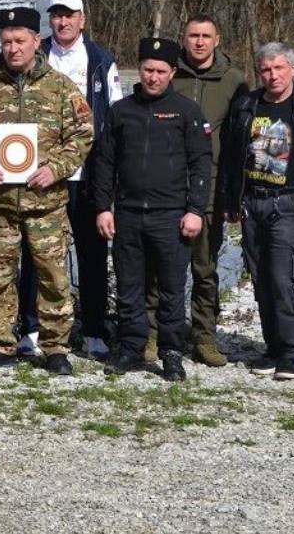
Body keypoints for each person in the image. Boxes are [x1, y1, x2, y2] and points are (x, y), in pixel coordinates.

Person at [0, 6, 94, 375]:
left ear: (37, 41)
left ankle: (55, 347)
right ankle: (1, 342)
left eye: (20, 41)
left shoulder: (61, 87)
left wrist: (55, 169)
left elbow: (82, 135)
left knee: (53, 276)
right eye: (6, 42)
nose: (13, 48)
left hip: (46, 203)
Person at [92, 37, 212, 382]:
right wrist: (103, 207)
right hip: (128, 213)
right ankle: (131, 346)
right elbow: (104, 163)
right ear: (139, 69)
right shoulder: (121, 111)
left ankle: (171, 351)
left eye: (161, 71)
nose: (153, 77)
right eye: (147, 70)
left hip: (172, 216)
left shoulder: (186, 111)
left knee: (172, 288)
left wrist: (194, 210)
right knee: (129, 285)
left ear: (172, 72)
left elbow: (200, 164)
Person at [220, 42, 294, 380]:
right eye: (266, 70)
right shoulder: (247, 105)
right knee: (260, 278)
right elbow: (232, 156)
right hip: (252, 202)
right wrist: (231, 199)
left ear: (293, 68)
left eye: (279, 68)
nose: (273, 76)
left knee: (284, 277)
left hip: (289, 203)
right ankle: (272, 347)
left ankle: (292, 353)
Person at [18, 0, 123, 361]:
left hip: (88, 171)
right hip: (41, 171)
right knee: (37, 253)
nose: (62, 22)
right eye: (57, 16)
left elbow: (110, 119)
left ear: (82, 20)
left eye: (69, 15)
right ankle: (30, 327)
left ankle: (94, 329)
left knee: (92, 253)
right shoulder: (36, 53)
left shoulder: (100, 60)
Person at [142, 15, 249, 367]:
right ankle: (154, 335)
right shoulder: (170, 75)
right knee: (161, 266)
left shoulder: (233, 81)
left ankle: (204, 336)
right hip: (167, 186)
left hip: (211, 189)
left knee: (205, 267)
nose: (199, 42)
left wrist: (233, 192)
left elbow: (241, 135)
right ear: (183, 39)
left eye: (206, 36)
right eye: (193, 36)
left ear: (217, 39)